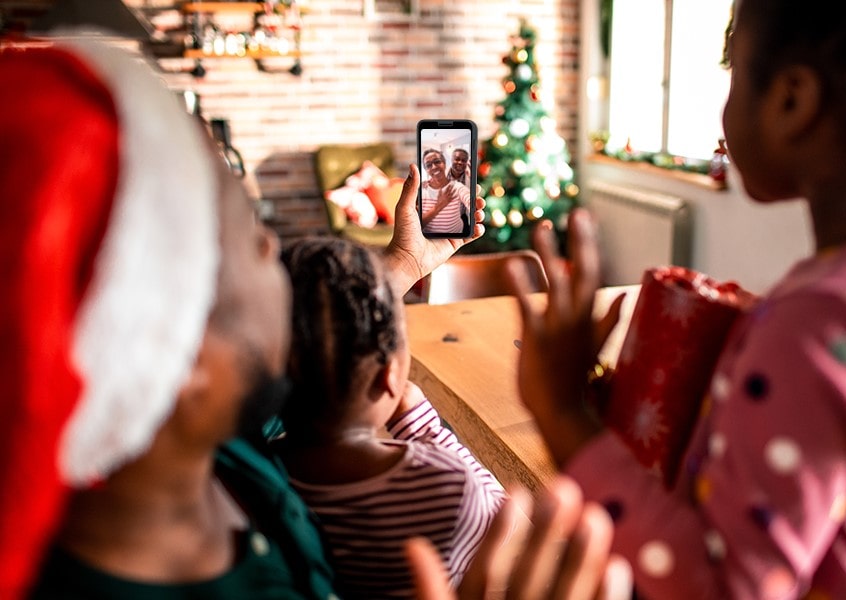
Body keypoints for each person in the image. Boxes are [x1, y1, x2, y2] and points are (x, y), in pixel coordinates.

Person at [0, 35, 632, 599]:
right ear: (182, 351)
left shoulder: (208, 444)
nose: (275, 248)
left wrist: (407, 260)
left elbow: (323, 344)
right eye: (253, 240)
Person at [509, 0, 846, 597]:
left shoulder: (823, 324)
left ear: (793, 99)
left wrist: (563, 413)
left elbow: (722, 587)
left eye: (733, 69)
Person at [275, 236, 506, 597]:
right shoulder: (448, 486)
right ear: (390, 375)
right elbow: (502, 512)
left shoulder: (261, 469)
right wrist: (424, 425)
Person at [421, 149, 470, 235]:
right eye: (428, 165)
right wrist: (439, 205)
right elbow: (416, 223)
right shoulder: (422, 188)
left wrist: (473, 203)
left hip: (459, 225)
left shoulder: (458, 186)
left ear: (444, 163)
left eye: (437, 162)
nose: (434, 167)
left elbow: (467, 196)